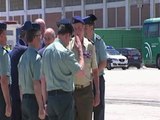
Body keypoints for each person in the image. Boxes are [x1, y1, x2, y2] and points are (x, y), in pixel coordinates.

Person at [41, 18, 84, 120]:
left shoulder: (46, 51)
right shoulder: (65, 52)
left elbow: (43, 79)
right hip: (64, 98)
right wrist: (81, 53)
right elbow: (80, 72)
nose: (69, 41)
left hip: (51, 99)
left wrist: (46, 101)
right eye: (69, 38)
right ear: (67, 35)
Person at [69, 16, 100, 120]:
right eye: (75, 28)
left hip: (86, 91)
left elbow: (95, 71)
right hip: (71, 90)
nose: (78, 31)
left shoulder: (90, 46)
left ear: (84, 29)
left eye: (80, 28)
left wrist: (97, 93)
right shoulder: (68, 46)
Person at [18, 21, 45, 120]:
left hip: (24, 101)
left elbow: (20, 85)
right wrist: (41, 107)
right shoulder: (37, 58)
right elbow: (36, 84)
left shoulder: (22, 58)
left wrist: (23, 103)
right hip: (34, 101)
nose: (41, 39)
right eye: (39, 36)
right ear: (35, 37)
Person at [83, 14, 107, 120]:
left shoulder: (99, 42)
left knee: (99, 108)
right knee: (84, 110)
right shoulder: (81, 42)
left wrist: (94, 74)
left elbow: (104, 62)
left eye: (86, 28)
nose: (84, 30)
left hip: (97, 79)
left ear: (92, 28)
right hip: (84, 81)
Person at [10, 21, 30, 120]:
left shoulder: (16, 47)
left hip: (13, 95)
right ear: (27, 34)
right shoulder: (23, 50)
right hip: (19, 96)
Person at [0, 22, 12, 120]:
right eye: (5, 34)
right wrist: (8, 103)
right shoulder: (3, 54)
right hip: (2, 97)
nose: (6, 37)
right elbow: (4, 81)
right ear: (1, 36)